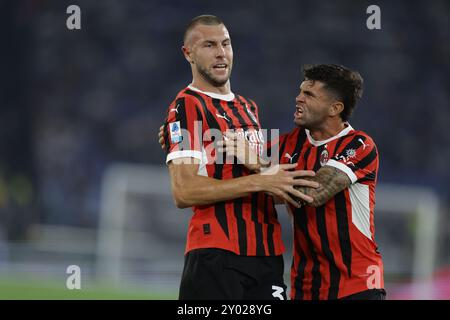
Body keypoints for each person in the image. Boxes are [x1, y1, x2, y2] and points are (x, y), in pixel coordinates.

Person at [162, 15, 318, 300]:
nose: (221, 52)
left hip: (267, 256)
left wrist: (266, 174)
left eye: (226, 43)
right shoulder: (185, 106)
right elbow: (183, 192)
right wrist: (261, 181)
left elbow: (276, 185)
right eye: (209, 45)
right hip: (217, 255)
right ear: (188, 53)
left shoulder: (249, 108)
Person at [220, 64, 386, 300]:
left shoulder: (359, 145)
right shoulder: (288, 144)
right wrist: (180, 138)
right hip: (306, 288)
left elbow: (313, 194)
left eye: (309, 94)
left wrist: (258, 164)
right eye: (300, 92)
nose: (298, 98)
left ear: (335, 108)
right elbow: (225, 151)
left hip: (357, 285)